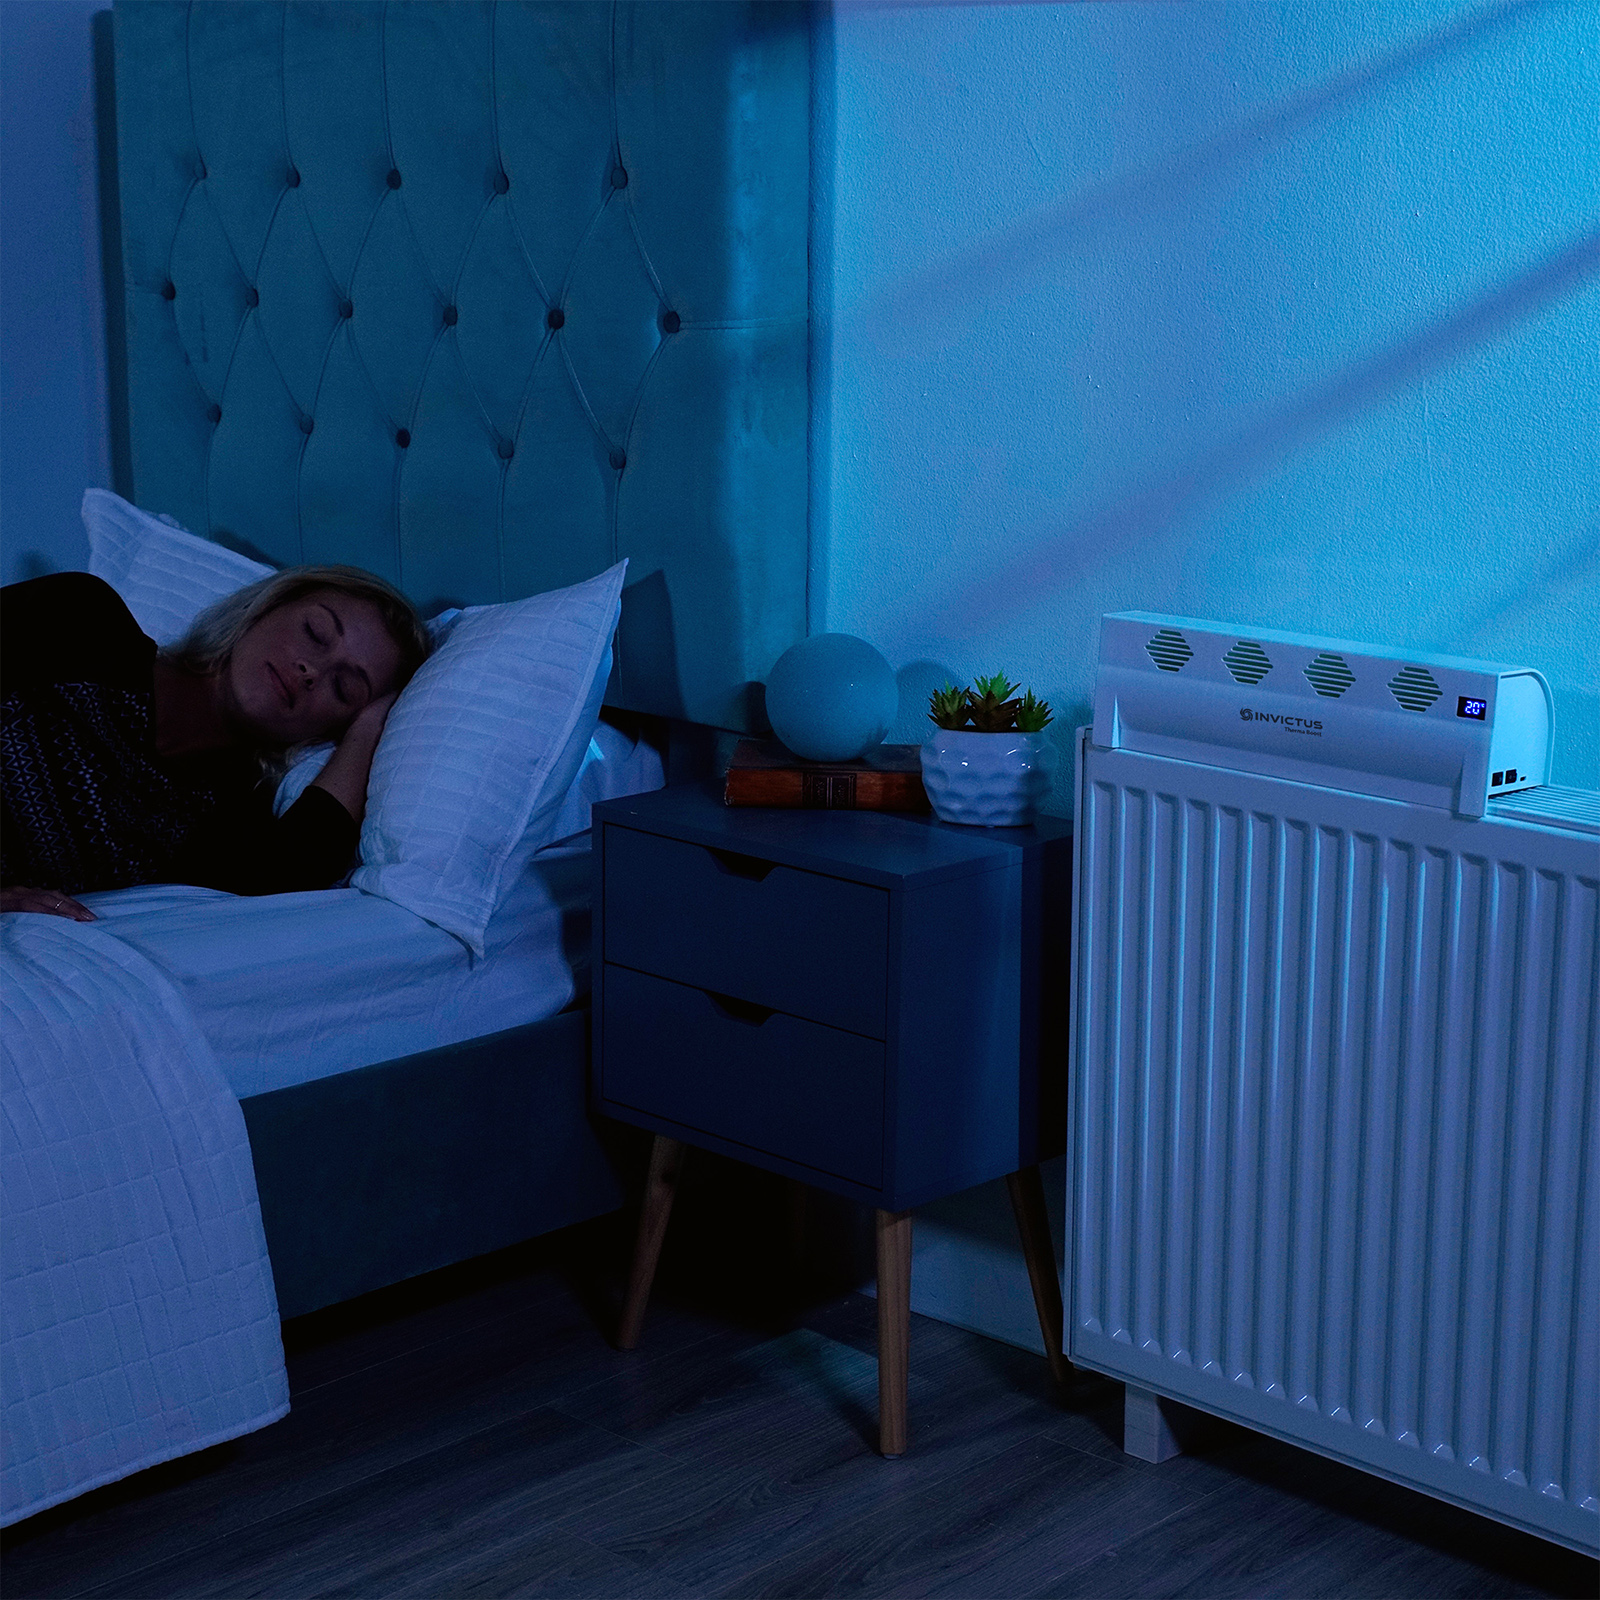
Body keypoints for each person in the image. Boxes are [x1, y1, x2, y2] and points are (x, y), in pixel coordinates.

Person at [1, 565, 430, 920]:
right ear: (266, 607)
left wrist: (371, 729)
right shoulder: (81, 619)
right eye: (315, 632)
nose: (311, 671)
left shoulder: (221, 819)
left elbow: (294, 870)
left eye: (344, 688)